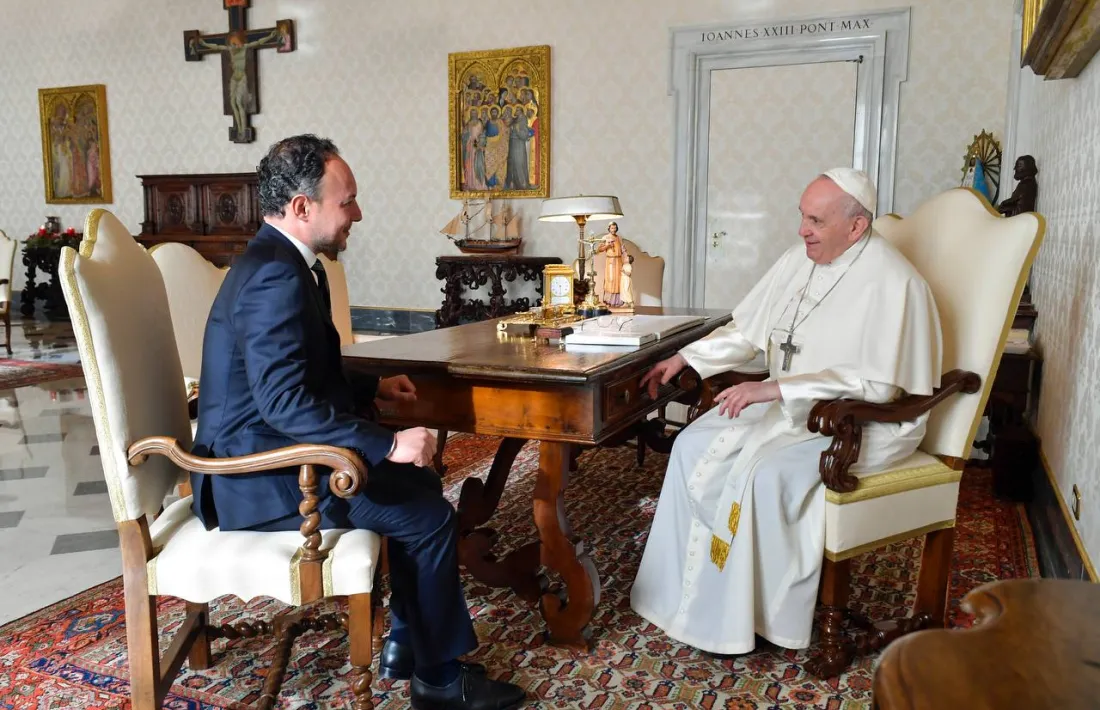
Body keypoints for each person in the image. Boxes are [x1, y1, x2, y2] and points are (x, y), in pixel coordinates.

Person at [191, 134, 526, 710]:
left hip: (277, 451)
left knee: (419, 487)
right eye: (347, 201)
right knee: (426, 515)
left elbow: (302, 373)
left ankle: (404, 642)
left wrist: (371, 387)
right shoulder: (274, 276)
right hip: (256, 476)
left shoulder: (285, 264)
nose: (358, 213)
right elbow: (285, 404)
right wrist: (386, 442)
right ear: (302, 207)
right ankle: (440, 681)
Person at [630, 168, 943, 655]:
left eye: (815, 220)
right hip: (793, 406)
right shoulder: (798, 261)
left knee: (766, 474)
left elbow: (879, 385)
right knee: (691, 444)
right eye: (802, 216)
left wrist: (775, 389)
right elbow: (748, 330)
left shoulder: (895, 282)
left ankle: (758, 617)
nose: (802, 229)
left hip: (864, 421)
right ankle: (689, 597)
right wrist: (686, 358)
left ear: (856, 227)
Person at [594, 222, 626, 306]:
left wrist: (626, 258)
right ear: (609, 228)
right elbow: (599, 250)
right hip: (610, 261)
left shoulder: (619, 237)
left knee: (618, 280)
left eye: (615, 228)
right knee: (611, 279)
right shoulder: (605, 237)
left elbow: (623, 249)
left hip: (618, 261)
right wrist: (608, 245)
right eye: (612, 228)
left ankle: (618, 301)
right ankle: (609, 300)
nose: (613, 230)